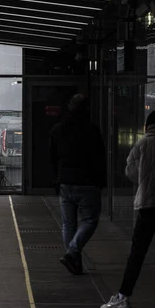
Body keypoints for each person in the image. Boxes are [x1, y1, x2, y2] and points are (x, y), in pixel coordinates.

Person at [100, 111, 155, 308]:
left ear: (149, 126)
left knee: (138, 252)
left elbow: (130, 171)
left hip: (149, 203)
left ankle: (123, 296)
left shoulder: (144, 143)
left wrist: (146, 179)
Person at [49, 93, 106, 275]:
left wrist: (57, 178)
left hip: (65, 182)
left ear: (69, 107)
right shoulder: (92, 130)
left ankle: (73, 260)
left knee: (68, 224)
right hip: (88, 182)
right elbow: (100, 157)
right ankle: (72, 252)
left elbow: (52, 158)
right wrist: (101, 181)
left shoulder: (57, 129)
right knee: (90, 220)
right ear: (87, 108)